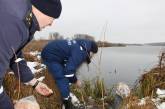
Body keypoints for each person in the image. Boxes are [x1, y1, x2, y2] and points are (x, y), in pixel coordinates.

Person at [0, 0, 62, 108]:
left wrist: (35, 83)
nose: (51, 24)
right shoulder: (14, 21)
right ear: (42, 10)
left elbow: (15, 55)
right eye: (52, 18)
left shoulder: (25, 20)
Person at [41, 39, 98, 109]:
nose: (93, 56)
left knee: (67, 72)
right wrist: (76, 81)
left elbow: (73, 61)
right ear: (91, 51)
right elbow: (68, 72)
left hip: (55, 52)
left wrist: (72, 78)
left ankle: (66, 94)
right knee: (62, 78)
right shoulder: (80, 52)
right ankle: (67, 103)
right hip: (51, 55)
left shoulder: (81, 45)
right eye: (93, 54)